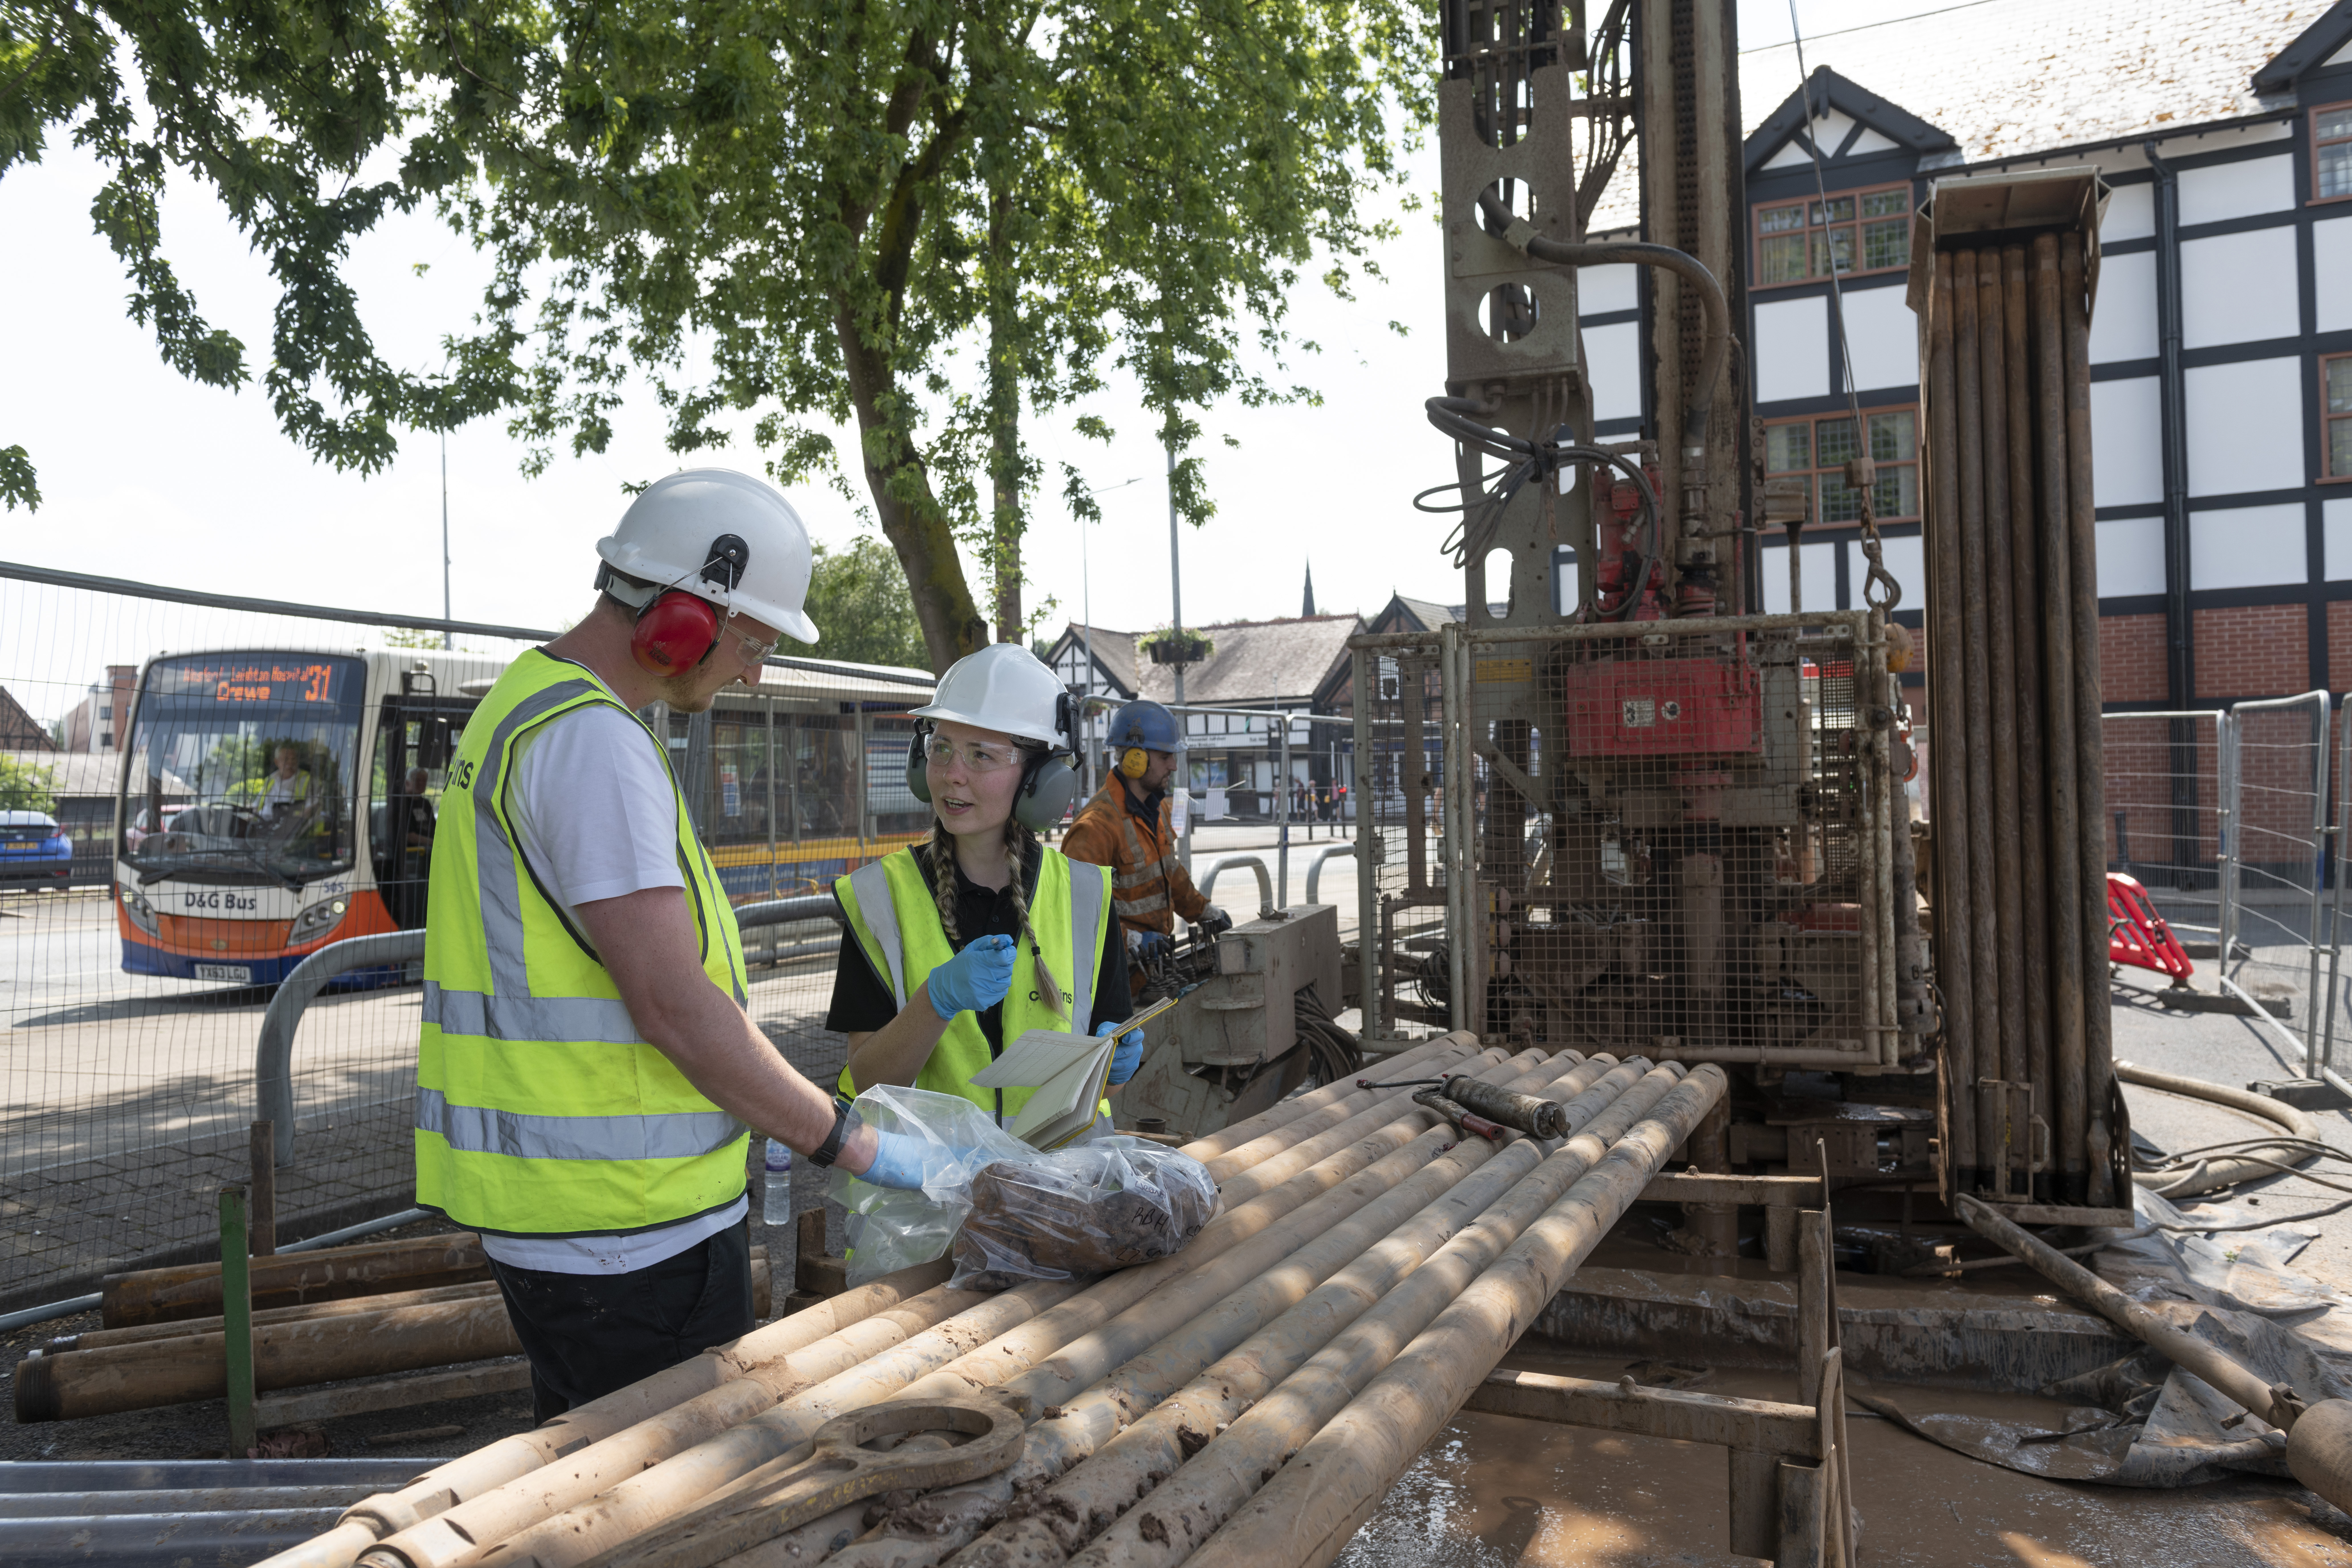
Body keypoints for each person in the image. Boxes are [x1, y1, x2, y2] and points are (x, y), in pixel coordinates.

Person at [415, 467, 945, 1426]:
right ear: (682, 618)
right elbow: (669, 1003)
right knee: (672, 1506)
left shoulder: (531, 705)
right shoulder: (592, 745)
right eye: (752, 643)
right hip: (630, 1236)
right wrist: (843, 1137)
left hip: (582, 1229)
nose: (752, 672)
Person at [826, 644, 1142, 1132]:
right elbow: (865, 1087)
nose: (953, 772)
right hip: (930, 1197)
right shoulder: (878, 898)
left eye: (981, 755)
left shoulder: (1087, 895)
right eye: (942, 747)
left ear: (1041, 779)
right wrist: (935, 1002)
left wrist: (1114, 1069)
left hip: (1057, 1195)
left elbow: (1106, 1088)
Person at [1060, 699, 1230, 996]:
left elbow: (1170, 872)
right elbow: (1073, 912)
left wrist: (1206, 912)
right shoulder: (1096, 827)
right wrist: (1132, 941)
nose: (1174, 766)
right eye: (1166, 757)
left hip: (1154, 971)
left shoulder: (1158, 810)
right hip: (1113, 983)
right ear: (1135, 758)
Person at [260, 745, 312, 824]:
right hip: (262, 827)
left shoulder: (308, 780)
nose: (291, 762)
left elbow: (311, 810)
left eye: (294, 759)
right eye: (286, 759)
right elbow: (256, 807)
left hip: (289, 831)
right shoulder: (270, 780)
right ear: (277, 762)